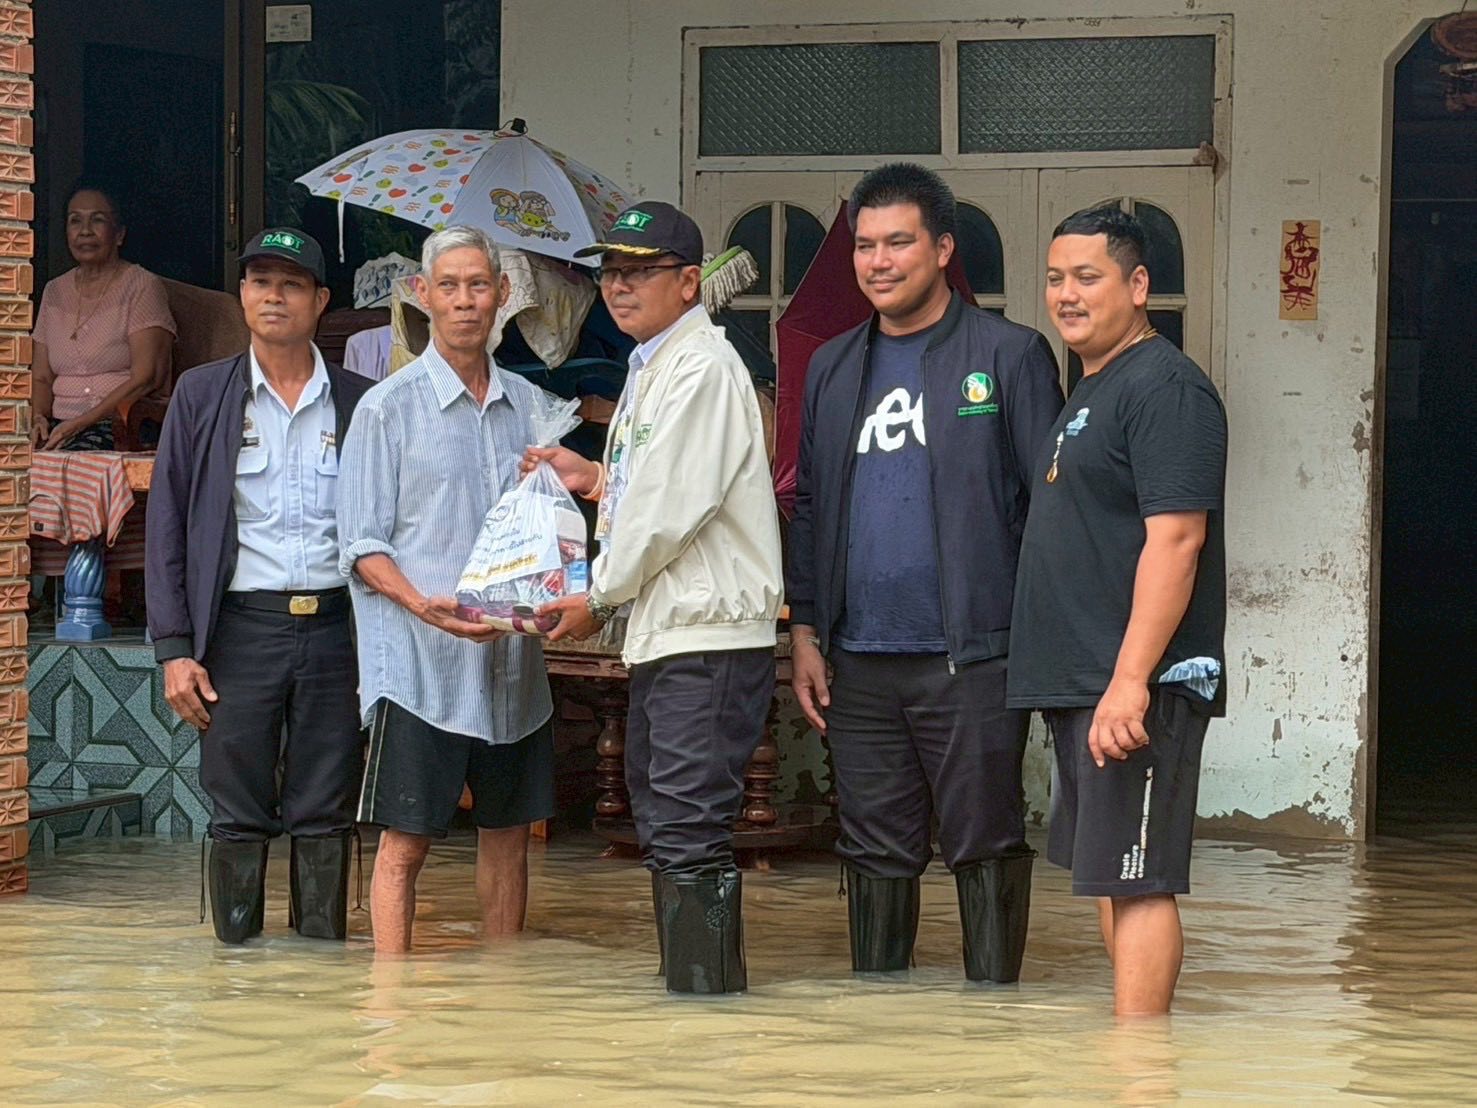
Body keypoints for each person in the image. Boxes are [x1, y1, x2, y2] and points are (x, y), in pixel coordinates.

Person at [786, 163, 1063, 983]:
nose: (878, 262)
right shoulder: (833, 366)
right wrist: (806, 630)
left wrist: (1033, 644)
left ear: (942, 249)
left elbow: (1048, 510)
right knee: (872, 845)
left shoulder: (1008, 356)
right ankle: (882, 1020)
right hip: (857, 659)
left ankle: (993, 1015)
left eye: (897, 242)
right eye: (864, 245)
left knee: (984, 838)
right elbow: (810, 506)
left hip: (970, 655)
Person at [526, 202, 783, 995]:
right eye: (610, 272)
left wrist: (597, 599)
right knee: (667, 823)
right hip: (672, 631)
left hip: (705, 635)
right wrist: (596, 479)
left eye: (639, 272)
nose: (618, 286)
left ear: (689, 282)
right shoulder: (653, 365)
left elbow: (670, 510)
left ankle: (704, 1008)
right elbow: (662, 489)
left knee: (685, 830)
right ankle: (694, 1004)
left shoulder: (701, 367)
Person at [1007, 206, 1228, 1016]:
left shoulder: (1165, 387)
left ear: (1137, 286)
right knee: (1110, 874)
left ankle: (1142, 1062)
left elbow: (1177, 540)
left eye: (1086, 277)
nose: (1066, 295)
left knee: (1138, 877)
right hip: (1087, 679)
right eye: (1054, 279)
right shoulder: (1096, 386)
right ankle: (1131, 1058)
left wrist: (1130, 681)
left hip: (1135, 683)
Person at [146, 228, 373, 944]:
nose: (274, 296)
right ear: (243, 294)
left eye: (291, 284)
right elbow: (167, 526)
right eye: (260, 281)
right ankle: (235, 973)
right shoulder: (202, 394)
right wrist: (174, 649)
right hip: (239, 630)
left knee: (326, 809)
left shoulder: (362, 402)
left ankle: (321, 971)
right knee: (237, 807)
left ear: (320, 300)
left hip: (337, 630)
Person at [336, 225, 555, 955]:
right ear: (422, 295)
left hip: (511, 665)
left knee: (509, 835)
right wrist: (419, 603)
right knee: (406, 842)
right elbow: (361, 544)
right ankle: (388, 997)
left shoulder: (533, 407)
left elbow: (553, 529)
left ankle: (504, 990)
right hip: (421, 668)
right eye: (450, 286)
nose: (465, 301)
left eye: (479, 285)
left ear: (503, 295)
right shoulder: (386, 409)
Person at [32, 184, 174, 451]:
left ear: (119, 234)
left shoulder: (141, 286)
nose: (85, 231)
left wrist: (79, 424)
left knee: (71, 458)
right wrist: (38, 417)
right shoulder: (54, 291)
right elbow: (41, 376)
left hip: (120, 426)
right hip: (60, 426)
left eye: (97, 220)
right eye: (75, 220)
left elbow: (146, 377)